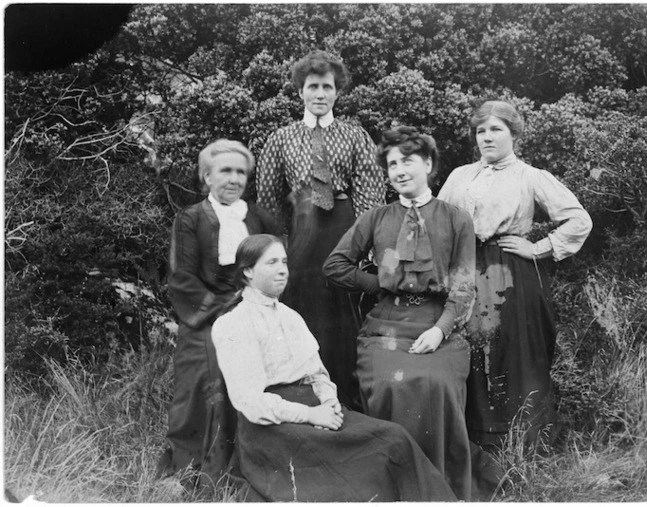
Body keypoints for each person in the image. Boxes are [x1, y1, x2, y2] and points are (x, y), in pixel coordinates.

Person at [323, 127, 499, 501]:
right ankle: (394, 485)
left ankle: (436, 485)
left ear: (429, 164)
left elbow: (464, 284)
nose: (399, 170)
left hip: (439, 326)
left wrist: (440, 330)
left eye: (407, 161)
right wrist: (379, 283)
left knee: (435, 385)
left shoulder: (456, 218)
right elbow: (335, 265)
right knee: (390, 384)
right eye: (391, 164)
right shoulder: (376, 217)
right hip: (386, 326)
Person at [211, 234, 457, 502]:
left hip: (316, 407)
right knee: (342, 471)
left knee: (393, 437)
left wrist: (329, 403)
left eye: (284, 261)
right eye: (272, 263)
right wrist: (310, 415)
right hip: (272, 428)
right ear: (247, 271)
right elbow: (250, 402)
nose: (283, 270)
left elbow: (317, 374)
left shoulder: (289, 316)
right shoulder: (233, 324)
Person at [437, 100, 593, 450]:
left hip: (512, 272)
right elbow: (438, 222)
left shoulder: (530, 176)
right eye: (481, 131)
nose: (487, 138)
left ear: (514, 134)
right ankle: (476, 441)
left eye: (496, 130)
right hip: (467, 270)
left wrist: (538, 248)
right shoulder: (460, 176)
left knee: (515, 351)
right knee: (472, 349)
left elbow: (579, 220)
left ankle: (525, 442)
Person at [256, 50, 384, 410]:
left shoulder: (356, 136)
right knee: (302, 310)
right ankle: (304, 399)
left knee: (343, 312)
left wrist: (363, 246)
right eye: (313, 86)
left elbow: (370, 195)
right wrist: (277, 249)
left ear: (337, 92)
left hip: (343, 228)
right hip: (301, 234)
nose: (320, 94)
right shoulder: (280, 139)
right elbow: (268, 201)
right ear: (300, 91)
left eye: (327, 87)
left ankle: (347, 400)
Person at [157, 139, 280, 486]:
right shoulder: (190, 219)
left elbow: (277, 269)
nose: (234, 178)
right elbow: (182, 278)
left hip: (255, 312)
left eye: (241, 172)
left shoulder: (259, 218)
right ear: (206, 177)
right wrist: (227, 309)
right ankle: (189, 471)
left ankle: (251, 467)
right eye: (225, 170)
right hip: (206, 316)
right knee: (203, 374)